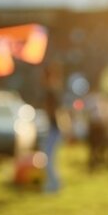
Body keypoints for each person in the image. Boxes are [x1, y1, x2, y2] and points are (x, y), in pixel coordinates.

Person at [42, 59, 64, 194]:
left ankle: (54, 184)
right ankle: (53, 183)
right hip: (52, 129)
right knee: (48, 157)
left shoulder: (53, 93)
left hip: (55, 129)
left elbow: (58, 112)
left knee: (48, 158)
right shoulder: (51, 93)